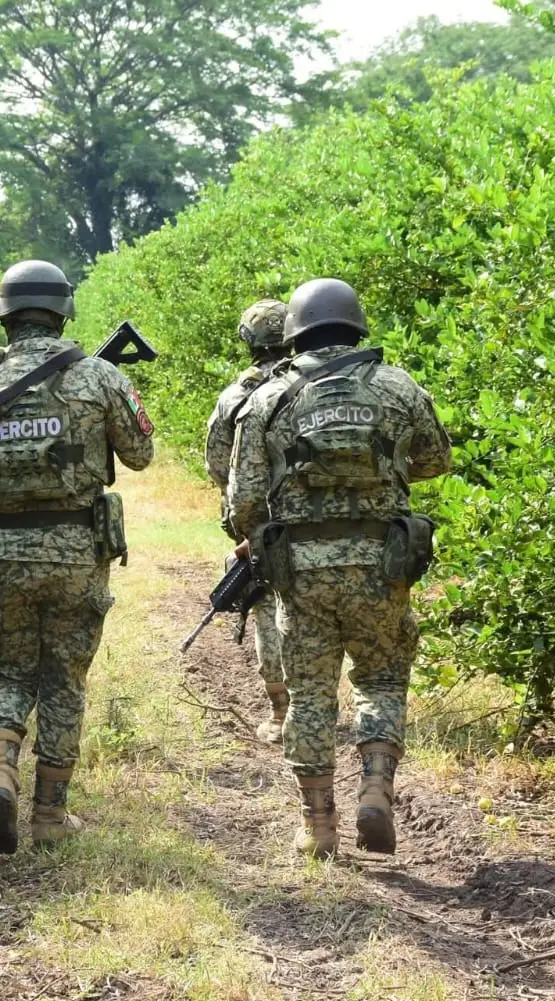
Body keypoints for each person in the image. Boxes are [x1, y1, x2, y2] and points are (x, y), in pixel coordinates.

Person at [0, 260, 155, 854]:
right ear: (62, 313)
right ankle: (50, 814)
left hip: (0, 552)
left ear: (3, 316)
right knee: (63, 678)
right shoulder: (100, 376)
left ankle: (1, 771)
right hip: (77, 553)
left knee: (8, 672)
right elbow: (140, 454)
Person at [228, 278, 451, 859]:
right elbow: (435, 459)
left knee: (309, 695)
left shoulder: (269, 397)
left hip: (302, 574)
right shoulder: (398, 386)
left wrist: (268, 526)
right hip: (383, 564)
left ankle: (318, 825)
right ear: (355, 326)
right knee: (381, 679)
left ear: (295, 333)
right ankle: (375, 787)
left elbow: (243, 500)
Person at [205, 299, 292, 743]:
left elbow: (219, 467)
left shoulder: (236, 395)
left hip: (260, 525)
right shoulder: (314, 381)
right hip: (315, 518)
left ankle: (281, 712)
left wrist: (250, 524)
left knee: (268, 610)